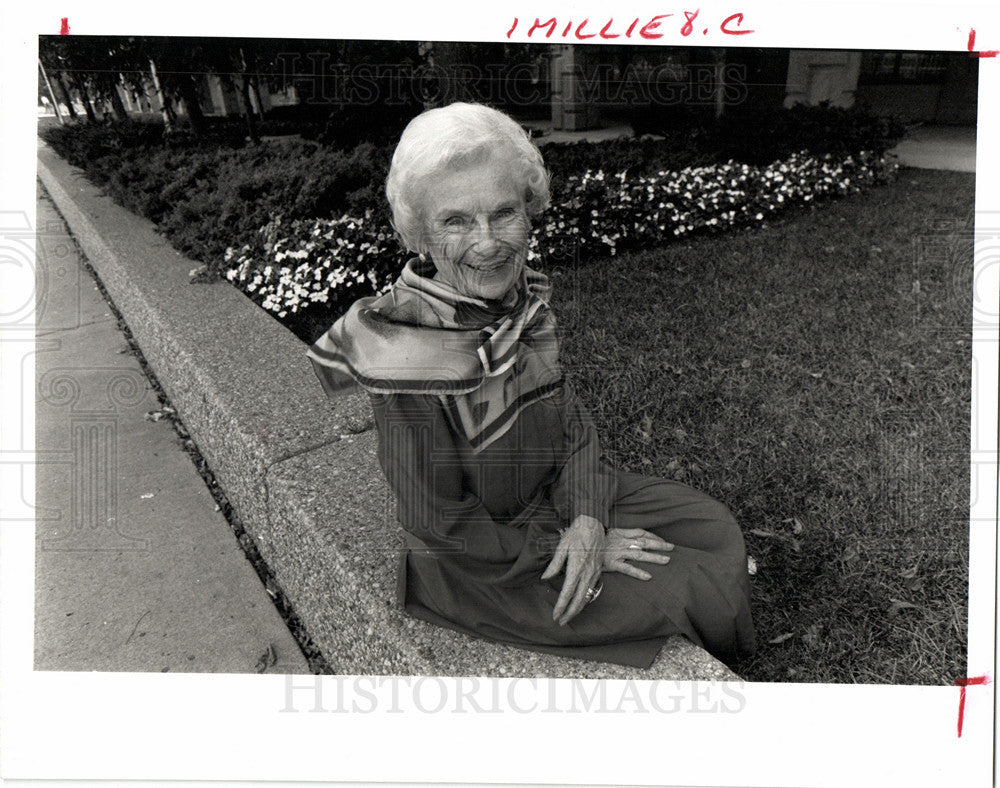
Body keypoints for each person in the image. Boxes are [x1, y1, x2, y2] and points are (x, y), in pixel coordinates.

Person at [307, 102, 755, 668]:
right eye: (456, 221)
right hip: (491, 557)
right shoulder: (403, 356)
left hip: (557, 497)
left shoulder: (522, 306)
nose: (489, 242)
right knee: (688, 584)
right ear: (418, 234)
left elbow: (572, 426)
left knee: (709, 524)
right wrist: (560, 545)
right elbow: (438, 522)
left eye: (504, 213)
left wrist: (589, 518)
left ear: (530, 212)